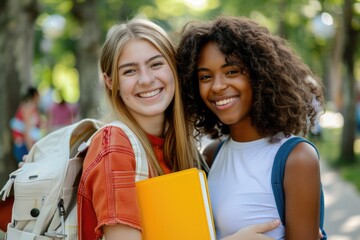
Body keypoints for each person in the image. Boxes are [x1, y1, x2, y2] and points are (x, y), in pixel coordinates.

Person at [77, 18, 280, 240]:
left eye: (156, 64)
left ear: (174, 67)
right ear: (109, 81)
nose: (146, 80)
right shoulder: (115, 144)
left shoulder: (182, 147)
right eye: (129, 71)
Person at [176, 16, 325, 240]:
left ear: (260, 75)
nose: (217, 86)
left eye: (232, 71)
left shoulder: (296, 158)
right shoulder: (212, 155)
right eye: (205, 76)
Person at [10, 86, 42, 166]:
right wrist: (31, 150)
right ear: (35, 95)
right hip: (24, 146)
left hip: (26, 144)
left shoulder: (29, 106)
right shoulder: (28, 107)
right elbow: (27, 131)